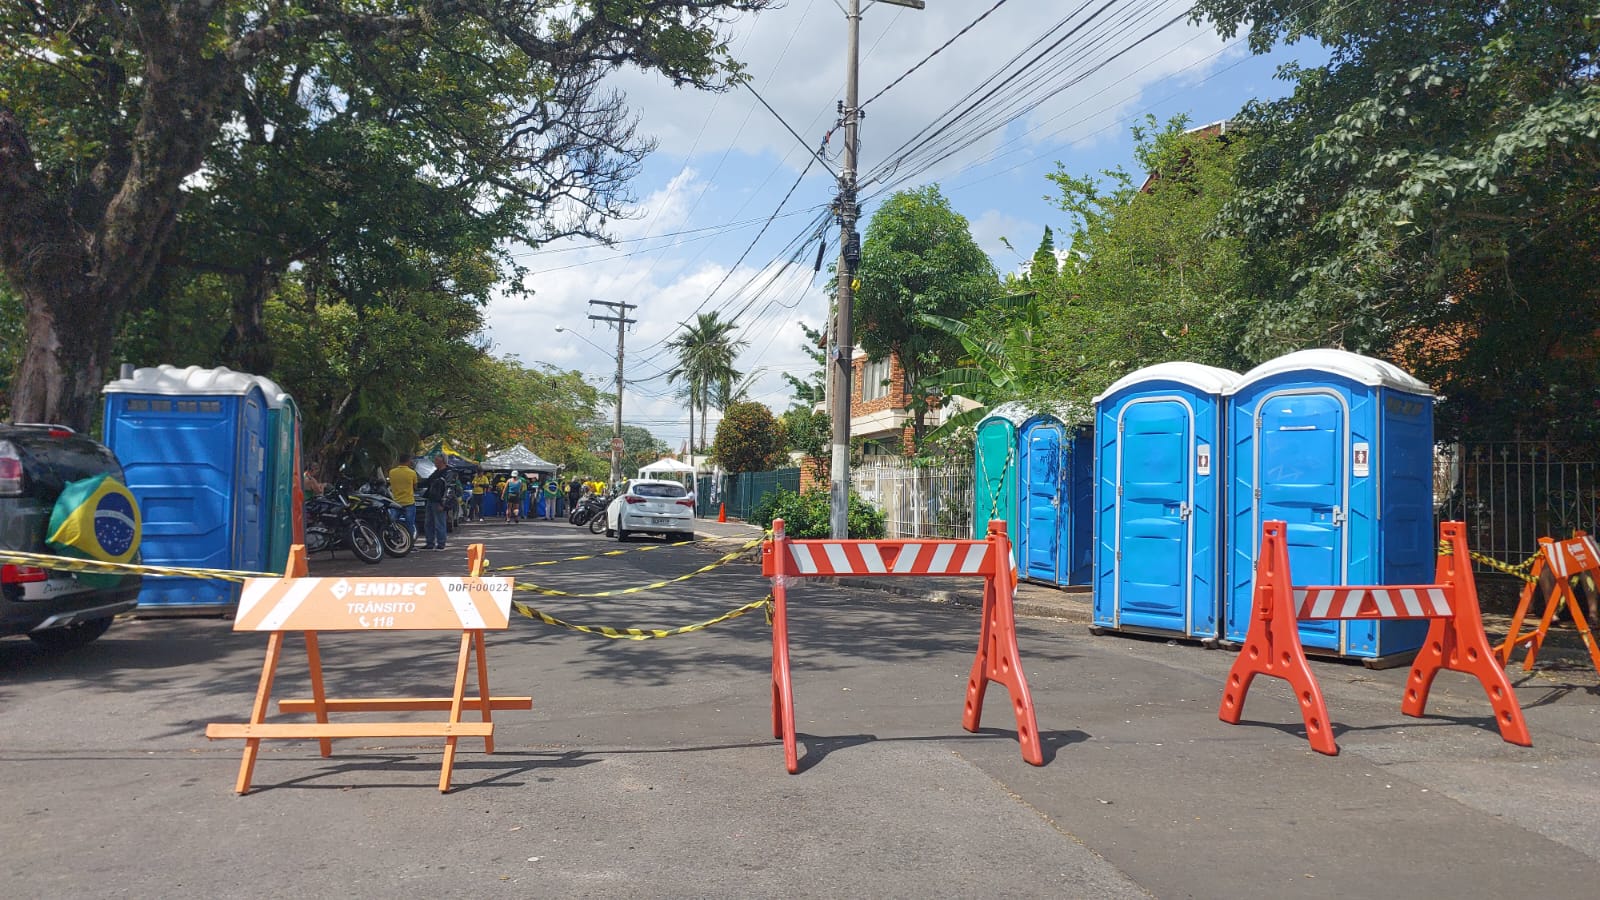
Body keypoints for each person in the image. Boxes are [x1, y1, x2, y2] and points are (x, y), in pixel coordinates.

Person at [422, 454, 451, 550]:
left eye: (436, 460)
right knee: (428, 522)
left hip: (439, 501)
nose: (434, 462)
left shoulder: (448, 472)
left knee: (439, 523)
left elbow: (449, 489)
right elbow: (427, 482)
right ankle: (430, 543)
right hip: (431, 499)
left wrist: (444, 503)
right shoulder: (436, 472)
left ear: (442, 461)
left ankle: (441, 543)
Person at [387, 455, 419, 537]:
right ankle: (411, 544)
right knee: (410, 524)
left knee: (393, 524)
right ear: (408, 461)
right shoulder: (412, 473)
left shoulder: (392, 472)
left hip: (396, 502)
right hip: (409, 502)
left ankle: (393, 540)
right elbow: (415, 487)